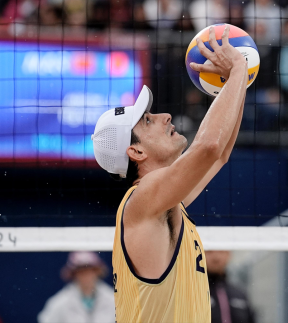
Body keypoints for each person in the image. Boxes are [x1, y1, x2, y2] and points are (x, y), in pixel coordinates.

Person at [91, 25, 248, 322]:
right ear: (136, 152)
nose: (165, 117)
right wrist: (238, 68)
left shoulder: (166, 201)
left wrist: (235, 82)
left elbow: (221, 152)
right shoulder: (144, 198)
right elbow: (209, 146)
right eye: (148, 121)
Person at [37, 252, 115, 323]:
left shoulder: (114, 300)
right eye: (81, 272)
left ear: (97, 272)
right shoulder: (60, 302)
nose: (86, 276)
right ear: (74, 275)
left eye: (89, 271)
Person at [206, 251, 255, 323]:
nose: (216, 257)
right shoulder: (194, 293)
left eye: (221, 251)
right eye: (209, 252)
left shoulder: (240, 294)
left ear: (229, 255)